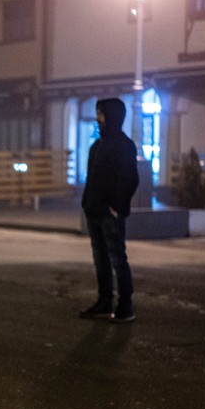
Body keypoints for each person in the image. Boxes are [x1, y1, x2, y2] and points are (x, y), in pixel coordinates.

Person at [79, 97, 139, 323]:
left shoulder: (123, 145)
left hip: (109, 215)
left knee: (117, 259)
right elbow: (92, 179)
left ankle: (126, 305)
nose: (98, 118)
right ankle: (104, 302)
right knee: (101, 260)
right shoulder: (98, 146)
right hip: (94, 212)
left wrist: (116, 207)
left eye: (102, 113)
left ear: (113, 116)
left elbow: (130, 179)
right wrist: (87, 203)